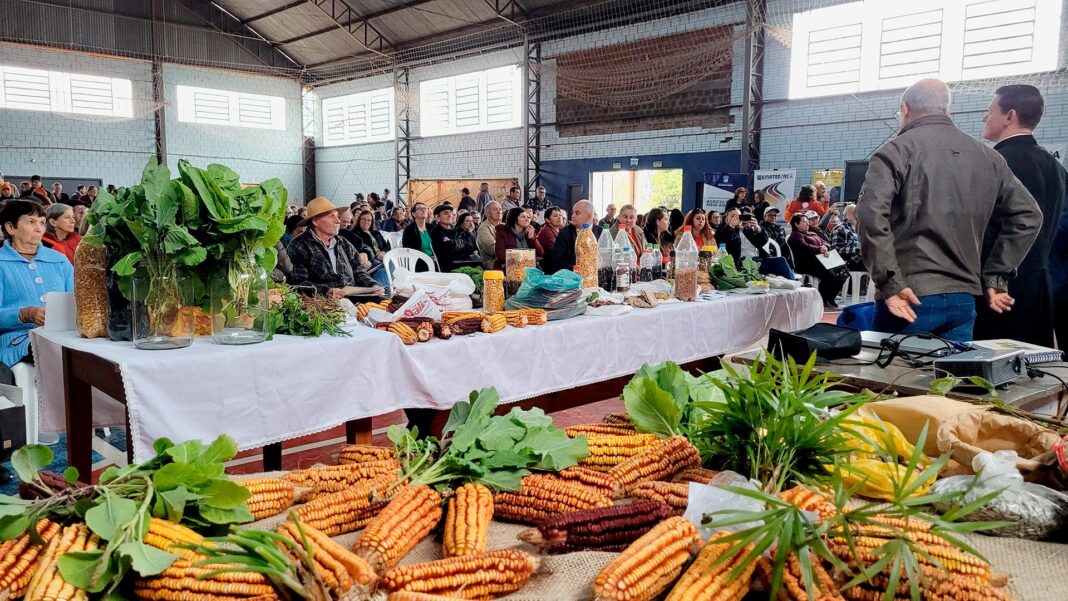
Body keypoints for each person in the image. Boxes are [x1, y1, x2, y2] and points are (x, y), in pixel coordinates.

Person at [858, 78, 1041, 342]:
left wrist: (890, 283)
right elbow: (1029, 216)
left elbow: (869, 216)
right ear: (947, 111)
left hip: (909, 295)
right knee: (951, 381)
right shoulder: (989, 158)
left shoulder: (895, 151)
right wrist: (996, 275)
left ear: (904, 109)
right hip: (963, 299)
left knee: (893, 381)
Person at [971, 85, 1068, 346]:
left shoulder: (996, 163)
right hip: (1041, 285)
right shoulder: (1056, 167)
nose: (984, 118)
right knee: (1033, 372)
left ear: (1009, 115)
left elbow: (982, 228)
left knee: (990, 373)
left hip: (998, 288)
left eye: (989, 111)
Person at [0, 201, 74, 384]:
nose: (39, 228)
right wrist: (25, 314)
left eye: (42, 222)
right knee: (56, 350)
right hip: (17, 339)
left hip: (63, 335)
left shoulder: (59, 260)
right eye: (31, 222)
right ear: (11, 228)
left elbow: (75, 299)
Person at [287, 197, 383, 298]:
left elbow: (359, 270)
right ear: (316, 221)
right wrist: (326, 291)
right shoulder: (299, 245)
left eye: (337, 216)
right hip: (324, 303)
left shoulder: (343, 242)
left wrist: (372, 285)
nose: (338, 221)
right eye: (331, 216)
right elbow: (299, 283)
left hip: (353, 297)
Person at [788, 213, 846, 308]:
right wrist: (819, 249)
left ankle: (830, 298)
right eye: (804, 222)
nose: (807, 224)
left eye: (807, 222)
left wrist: (824, 247)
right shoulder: (795, 236)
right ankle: (823, 299)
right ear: (796, 224)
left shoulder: (812, 233)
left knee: (843, 271)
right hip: (807, 264)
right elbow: (805, 247)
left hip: (821, 259)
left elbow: (825, 242)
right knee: (830, 275)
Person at [548, 200, 602, 274]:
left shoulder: (601, 232)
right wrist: (578, 270)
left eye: (577, 213)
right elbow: (557, 260)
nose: (573, 216)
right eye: (573, 213)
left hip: (597, 274)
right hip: (572, 276)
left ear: (589, 216)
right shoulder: (565, 233)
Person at [431, 204, 478, 272]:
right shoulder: (436, 232)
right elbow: (450, 247)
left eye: (450, 213)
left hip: (463, 262)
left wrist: (459, 241)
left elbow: (469, 248)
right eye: (445, 213)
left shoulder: (454, 230)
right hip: (449, 267)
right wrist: (459, 242)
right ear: (437, 218)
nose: (450, 215)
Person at [401, 202, 435, 271]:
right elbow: (408, 251)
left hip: (435, 261)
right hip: (419, 263)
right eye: (419, 208)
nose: (423, 210)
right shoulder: (409, 230)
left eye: (425, 208)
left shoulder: (432, 227)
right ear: (413, 214)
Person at [477, 201, 503, 269]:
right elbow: (492, 249)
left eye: (500, 209)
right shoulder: (483, 228)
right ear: (487, 213)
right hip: (491, 265)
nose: (498, 211)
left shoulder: (505, 226)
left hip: (506, 263)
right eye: (494, 209)